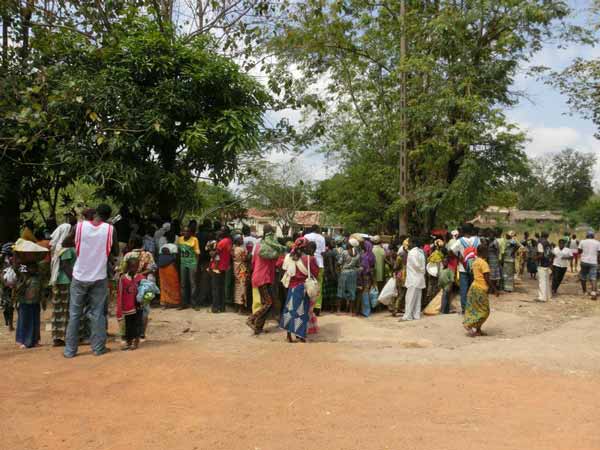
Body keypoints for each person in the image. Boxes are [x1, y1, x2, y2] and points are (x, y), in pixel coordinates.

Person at [64, 204, 118, 358]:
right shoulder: (110, 229)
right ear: (108, 216)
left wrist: (81, 243)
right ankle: (98, 348)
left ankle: (70, 351)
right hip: (99, 276)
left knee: (75, 314)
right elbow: (114, 252)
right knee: (97, 313)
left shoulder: (79, 227)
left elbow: (65, 243)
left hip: (79, 275)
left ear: (95, 213)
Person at [279, 237, 320, 343]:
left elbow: (281, 267)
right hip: (302, 288)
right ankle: (300, 335)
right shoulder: (310, 259)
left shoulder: (289, 257)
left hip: (291, 287)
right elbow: (316, 272)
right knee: (302, 312)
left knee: (289, 310)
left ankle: (288, 335)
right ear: (305, 247)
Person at [247, 225, 286, 334]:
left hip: (259, 276)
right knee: (268, 303)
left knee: (267, 303)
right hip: (264, 278)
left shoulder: (258, 246)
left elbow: (253, 262)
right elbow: (278, 263)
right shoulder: (272, 248)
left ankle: (258, 327)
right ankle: (251, 319)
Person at [463, 244, 495, 337]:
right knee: (485, 311)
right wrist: (494, 289)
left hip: (474, 287)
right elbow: (487, 278)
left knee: (475, 308)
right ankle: (469, 325)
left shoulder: (475, 262)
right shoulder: (484, 263)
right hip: (481, 289)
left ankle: (478, 330)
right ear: (484, 252)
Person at [51, 234, 76, 346]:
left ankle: (58, 337)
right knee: (66, 310)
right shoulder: (67, 250)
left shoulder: (61, 249)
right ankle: (64, 336)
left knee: (59, 310)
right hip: (66, 282)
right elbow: (66, 266)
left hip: (61, 281)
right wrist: (74, 280)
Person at [450, 225, 480, 314]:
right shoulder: (477, 240)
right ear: (472, 231)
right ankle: (474, 308)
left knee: (464, 289)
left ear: (463, 231)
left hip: (463, 268)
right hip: (475, 267)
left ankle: (464, 309)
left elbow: (450, 250)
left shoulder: (460, 241)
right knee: (474, 288)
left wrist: (459, 258)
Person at [116, 258, 144, 351]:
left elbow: (145, 291)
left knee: (137, 323)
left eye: (135, 267)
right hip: (127, 306)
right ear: (128, 267)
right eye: (132, 267)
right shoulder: (123, 279)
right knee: (128, 324)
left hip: (138, 306)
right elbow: (120, 293)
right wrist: (119, 307)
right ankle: (129, 340)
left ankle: (135, 340)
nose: (133, 269)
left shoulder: (141, 277)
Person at [14, 262, 43, 348]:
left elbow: (40, 289)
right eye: (31, 268)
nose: (33, 269)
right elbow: (18, 288)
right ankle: (22, 341)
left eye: (34, 268)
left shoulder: (38, 276)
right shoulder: (23, 274)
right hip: (25, 303)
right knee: (24, 322)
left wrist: (42, 300)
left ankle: (35, 340)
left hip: (35, 302)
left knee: (35, 322)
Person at [304, 225, 326, 314]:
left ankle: (307, 306)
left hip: (307, 263)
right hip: (319, 264)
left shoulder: (306, 236)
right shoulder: (322, 238)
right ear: (317, 229)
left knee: (307, 284)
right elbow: (323, 252)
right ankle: (317, 307)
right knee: (318, 286)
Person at [402, 238, 426, 321]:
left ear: (413, 243)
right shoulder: (421, 252)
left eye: (409, 243)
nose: (408, 245)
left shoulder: (412, 253)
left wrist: (420, 269)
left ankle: (408, 316)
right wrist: (422, 271)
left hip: (413, 278)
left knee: (410, 298)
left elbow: (416, 265)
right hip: (419, 278)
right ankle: (416, 315)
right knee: (417, 299)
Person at [176, 226, 200, 310]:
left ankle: (194, 303)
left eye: (188, 231)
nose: (186, 233)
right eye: (184, 231)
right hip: (183, 264)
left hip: (192, 263)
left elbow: (197, 254)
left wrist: (196, 265)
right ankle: (184, 303)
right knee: (183, 284)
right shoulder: (180, 239)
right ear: (182, 232)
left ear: (190, 232)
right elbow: (179, 252)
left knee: (193, 284)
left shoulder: (194, 239)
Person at [211, 226, 233, 313]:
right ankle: (222, 307)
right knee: (221, 287)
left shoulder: (222, 242)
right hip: (224, 266)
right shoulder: (229, 241)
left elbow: (214, 254)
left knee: (215, 288)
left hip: (217, 267)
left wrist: (211, 252)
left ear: (225, 232)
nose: (220, 232)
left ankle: (215, 307)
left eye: (222, 230)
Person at [336, 238, 361, 314]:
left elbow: (339, 263)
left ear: (350, 245)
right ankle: (351, 311)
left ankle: (338, 310)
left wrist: (338, 269)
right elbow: (358, 265)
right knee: (352, 291)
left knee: (340, 290)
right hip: (353, 273)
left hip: (344, 273)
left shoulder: (344, 252)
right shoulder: (357, 254)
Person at [578, 231, 600, 300]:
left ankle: (584, 291)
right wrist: (598, 262)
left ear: (587, 236)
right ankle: (593, 293)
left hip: (584, 261)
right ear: (593, 236)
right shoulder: (597, 242)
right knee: (593, 277)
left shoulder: (582, 242)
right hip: (593, 262)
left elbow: (579, 251)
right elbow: (599, 253)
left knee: (583, 276)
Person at [158, 244, 181, 308]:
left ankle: (166, 302)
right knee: (173, 286)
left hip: (165, 273)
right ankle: (174, 302)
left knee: (164, 287)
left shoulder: (161, 258)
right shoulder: (172, 257)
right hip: (170, 272)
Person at [232, 235, 248, 313]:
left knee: (237, 287)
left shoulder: (233, 249)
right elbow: (245, 259)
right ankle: (241, 307)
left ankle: (236, 307)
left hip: (235, 268)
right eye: (241, 239)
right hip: (241, 269)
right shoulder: (242, 249)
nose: (242, 240)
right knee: (242, 287)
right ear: (237, 241)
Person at [536, 232, 553, 302]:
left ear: (541, 236)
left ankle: (542, 297)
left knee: (542, 281)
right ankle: (548, 296)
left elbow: (541, 255)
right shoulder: (549, 243)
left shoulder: (540, 243)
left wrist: (534, 258)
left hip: (542, 264)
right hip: (547, 263)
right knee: (546, 281)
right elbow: (551, 254)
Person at [487, 230, 501, 295]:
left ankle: (492, 289)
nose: (490, 236)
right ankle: (491, 288)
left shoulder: (495, 242)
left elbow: (497, 251)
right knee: (491, 275)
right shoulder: (490, 241)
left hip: (494, 260)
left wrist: (497, 259)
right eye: (489, 235)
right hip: (490, 260)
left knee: (493, 275)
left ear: (494, 235)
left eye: (491, 235)